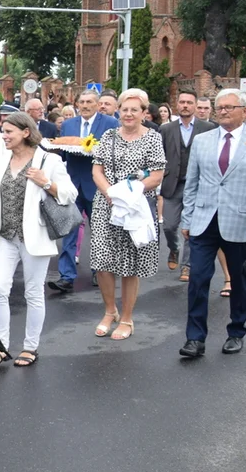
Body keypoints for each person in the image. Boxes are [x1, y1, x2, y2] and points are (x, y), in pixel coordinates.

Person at [179, 89, 246, 359]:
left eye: (229, 107)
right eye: (219, 107)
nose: (222, 111)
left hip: (241, 223)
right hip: (204, 222)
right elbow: (192, 183)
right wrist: (188, 217)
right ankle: (195, 339)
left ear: (245, 111)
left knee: (241, 282)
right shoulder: (203, 141)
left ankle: (236, 331)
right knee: (197, 280)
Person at [0, 113, 78, 368]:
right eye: (3, 131)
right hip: (5, 237)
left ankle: (30, 347)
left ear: (26, 132)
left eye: (9, 132)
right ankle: (0, 346)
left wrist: (45, 182)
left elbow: (70, 194)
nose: (4, 136)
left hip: (34, 236)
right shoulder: (0, 161)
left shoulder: (49, 160)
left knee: (33, 292)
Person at [89, 88, 166, 340]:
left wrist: (129, 193)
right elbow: (96, 171)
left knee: (129, 265)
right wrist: (111, 193)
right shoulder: (108, 135)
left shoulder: (152, 138)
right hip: (106, 205)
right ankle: (109, 311)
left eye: (135, 109)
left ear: (144, 113)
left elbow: (156, 176)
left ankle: (127, 318)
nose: (129, 114)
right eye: (125, 109)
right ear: (118, 111)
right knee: (102, 261)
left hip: (135, 208)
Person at [49, 90, 119, 293]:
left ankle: (100, 270)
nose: (86, 105)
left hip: (97, 183)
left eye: (90, 102)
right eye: (82, 102)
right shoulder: (69, 124)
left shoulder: (110, 124)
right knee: (69, 230)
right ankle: (66, 276)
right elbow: (64, 151)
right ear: (77, 104)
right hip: (72, 183)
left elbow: (113, 152)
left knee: (99, 231)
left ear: (98, 104)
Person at [159, 90, 216, 282]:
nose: (185, 105)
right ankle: (174, 249)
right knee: (169, 225)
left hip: (198, 185)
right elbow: (160, 155)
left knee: (193, 227)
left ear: (195, 105)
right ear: (177, 104)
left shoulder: (208, 128)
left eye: (189, 102)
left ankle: (187, 266)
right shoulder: (166, 129)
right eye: (182, 102)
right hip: (172, 184)